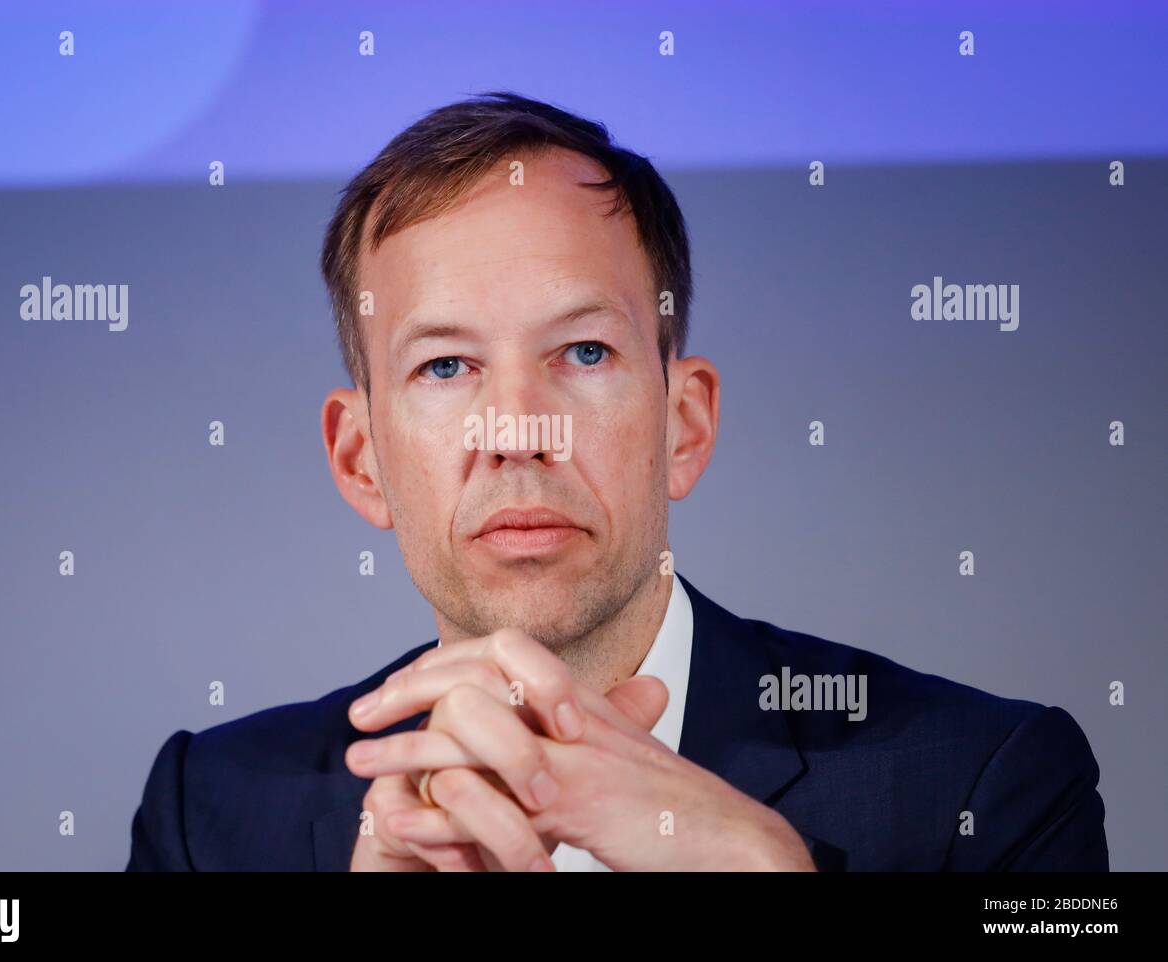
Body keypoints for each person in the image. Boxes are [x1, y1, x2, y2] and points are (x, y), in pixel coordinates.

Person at [126, 92, 1108, 871]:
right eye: (444, 366)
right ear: (361, 458)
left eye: (584, 351)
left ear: (683, 425)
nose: (519, 430)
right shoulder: (209, 815)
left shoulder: (989, 787)